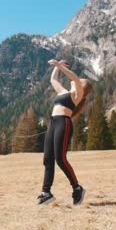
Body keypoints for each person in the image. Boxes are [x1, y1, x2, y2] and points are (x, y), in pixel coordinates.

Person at [37, 59, 92, 206]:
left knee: (60, 159)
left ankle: (77, 188)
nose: (78, 80)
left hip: (64, 123)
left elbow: (74, 78)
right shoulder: (63, 92)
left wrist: (61, 67)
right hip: (53, 122)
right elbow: (53, 79)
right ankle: (46, 193)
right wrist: (57, 68)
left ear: (83, 86)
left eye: (81, 81)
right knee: (48, 159)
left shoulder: (77, 95)